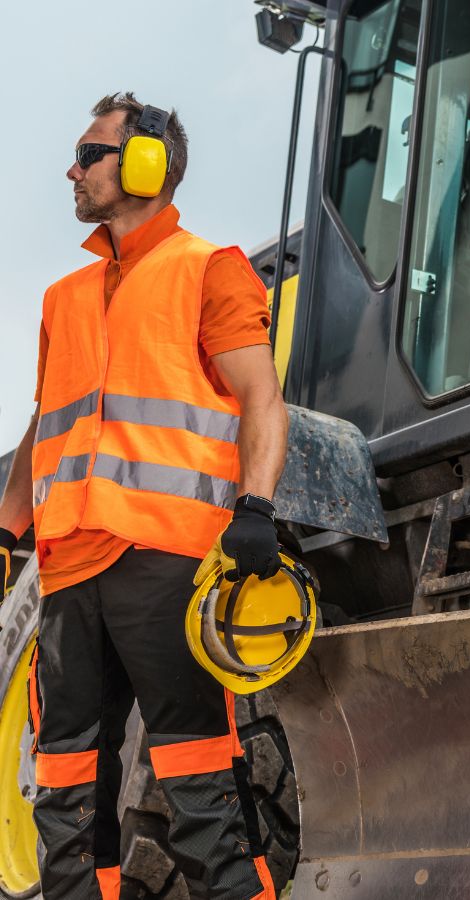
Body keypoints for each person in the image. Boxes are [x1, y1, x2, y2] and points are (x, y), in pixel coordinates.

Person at [0, 92, 289, 900]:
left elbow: (261, 398)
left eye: (88, 154)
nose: (71, 169)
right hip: (66, 572)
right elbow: (44, 423)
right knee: (63, 785)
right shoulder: (63, 299)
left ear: (147, 162)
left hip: (165, 563)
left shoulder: (208, 270)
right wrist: (6, 530)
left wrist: (255, 509)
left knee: (198, 780)